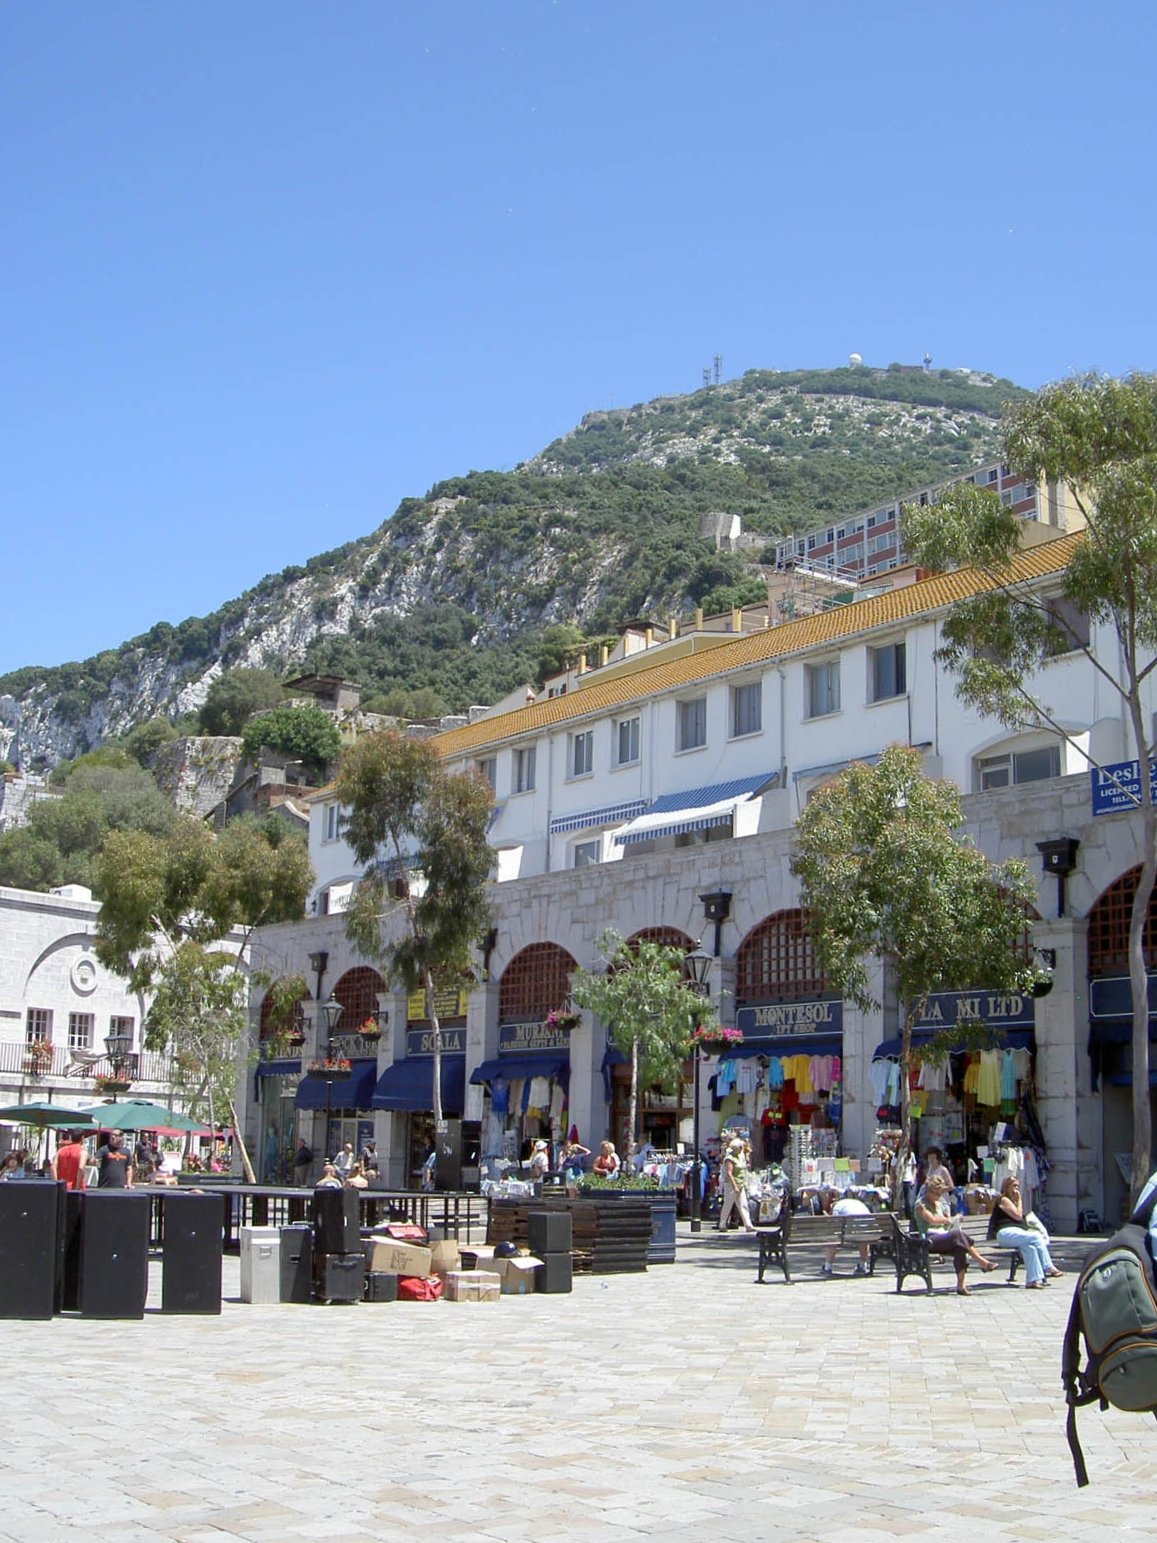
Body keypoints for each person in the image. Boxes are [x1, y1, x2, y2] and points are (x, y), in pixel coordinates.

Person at [914, 1174, 994, 1294]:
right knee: (958, 1235)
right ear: (928, 1191)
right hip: (928, 1238)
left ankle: (961, 1286)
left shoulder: (940, 1204)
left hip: (943, 1235)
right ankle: (982, 1262)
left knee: (960, 1247)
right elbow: (931, 1220)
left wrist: (954, 1219)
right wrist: (949, 1219)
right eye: (936, 1193)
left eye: (940, 1193)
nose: (938, 1196)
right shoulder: (921, 1204)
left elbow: (946, 1221)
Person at [987, 1175, 1063, 1289]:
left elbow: (1019, 1216)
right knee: (1036, 1236)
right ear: (1006, 1187)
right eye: (1014, 1186)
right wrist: (1020, 1200)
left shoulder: (1014, 1201)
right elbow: (1018, 1216)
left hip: (1017, 1233)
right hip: (1005, 1233)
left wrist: (1018, 1201)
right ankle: (1048, 1266)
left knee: (1030, 1247)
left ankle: (1032, 1280)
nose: (1016, 1189)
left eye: (1018, 1186)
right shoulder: (1003, 1199)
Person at [819, 1186, 872, 1276]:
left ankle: (827, 1267)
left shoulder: (838, 1206)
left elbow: (835, 1225)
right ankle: (863, 1265)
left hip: (850, 1233)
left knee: (832, 1237)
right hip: (869, 1232)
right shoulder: (859, 1203)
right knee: (863, 1237)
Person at [716, 1137, 756, 1233]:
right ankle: (722, 1224)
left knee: (743, 1204)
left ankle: (748, 1225)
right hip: (731, 1185)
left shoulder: (740, 1156)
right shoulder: (729, 1158)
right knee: (728, 1204)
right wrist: (734, 1186)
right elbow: (729, 1173)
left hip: (740, 1184)